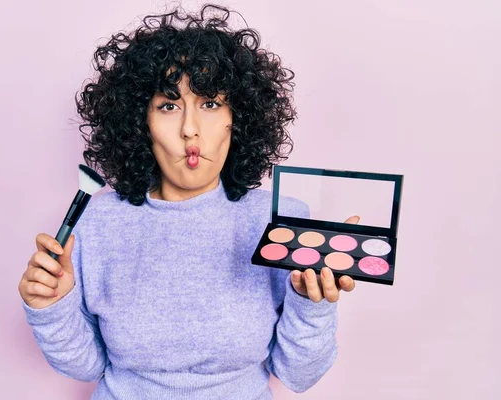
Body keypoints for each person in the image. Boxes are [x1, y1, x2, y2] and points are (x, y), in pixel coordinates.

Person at [18, 4, 356, 399]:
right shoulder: (98, 222)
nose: (190, 129)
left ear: (239, 116)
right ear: (140, 121)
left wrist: (311, 304)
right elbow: (85, 366)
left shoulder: (279, 220)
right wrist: (52, 308)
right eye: (168, 105)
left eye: (210, 104)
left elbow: (297, 375)